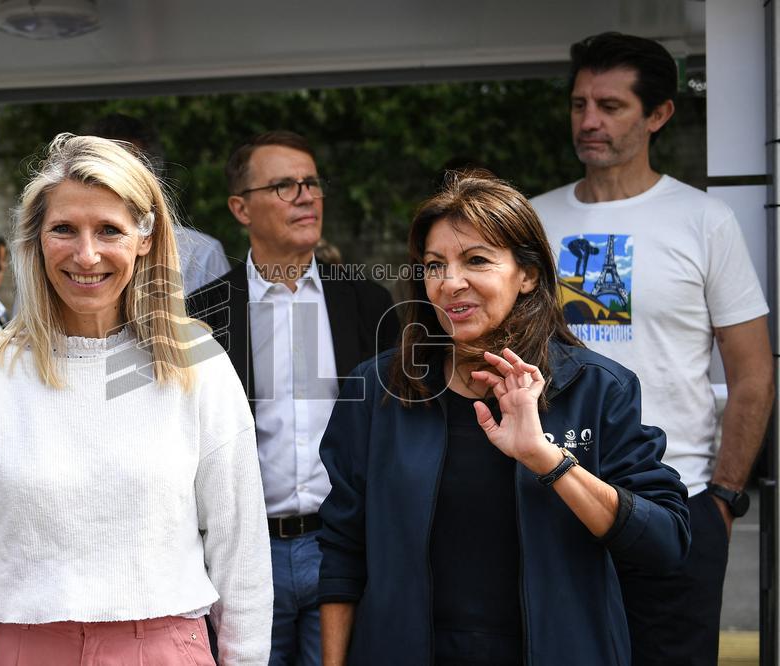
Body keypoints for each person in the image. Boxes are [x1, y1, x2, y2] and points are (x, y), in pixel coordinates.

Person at [0, 134, 272, 665]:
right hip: (24, 649)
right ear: (36, 239)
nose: (87, 255)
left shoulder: (197, 366)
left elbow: (240, 550)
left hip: (164, 649)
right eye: (64, 229)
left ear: (145, 238)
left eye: (109, 229)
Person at [317, 171, 690, 666]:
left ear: (528, 274)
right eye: (434, 265)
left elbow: (665, 542)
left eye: (476, 260)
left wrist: (547, 459)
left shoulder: (596, 389)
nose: (450, 283)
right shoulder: (381, 392)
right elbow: (344, 553)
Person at [531, 32, 774, 665]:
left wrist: (722, 498)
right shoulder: (530, 222)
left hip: (676, 504)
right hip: (553, 498)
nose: (589, 121)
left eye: (610, 106)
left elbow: (753, 373)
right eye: (580, 103)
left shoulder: (704, 221)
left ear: (659, 114)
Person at [188, 130, 397, 666]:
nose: (306, 196)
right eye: (284, 185)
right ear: (241, 208)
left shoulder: (366, 301)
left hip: (342, 549)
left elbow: (394, 428)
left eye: (311, 182)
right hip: (243, 555)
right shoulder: (203, 315)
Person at [89, 112, 232, 294]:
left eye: (128, 170)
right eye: (100, 168)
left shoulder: (201, 253)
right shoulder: (64, 249)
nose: (114, 182)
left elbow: (221, 319)